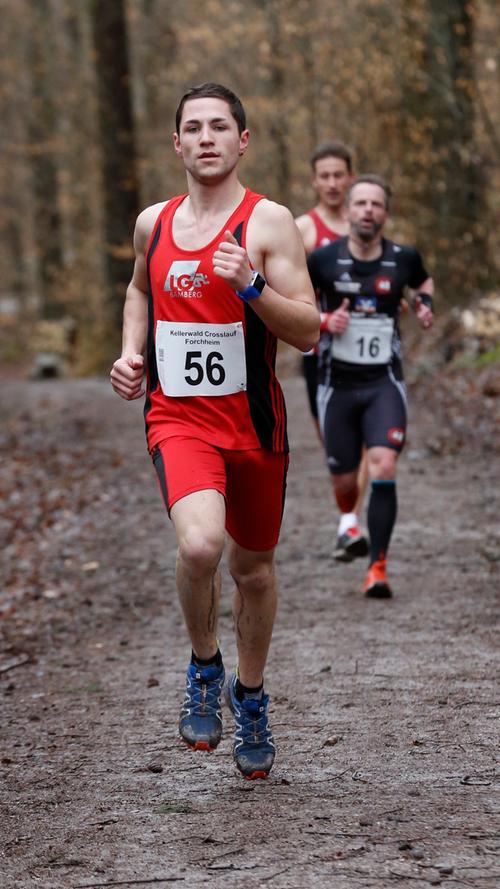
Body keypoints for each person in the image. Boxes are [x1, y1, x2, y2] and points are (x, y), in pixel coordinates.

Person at [110, 82, 319, 780]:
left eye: (219, 127)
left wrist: (252, 287)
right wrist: (131, 350)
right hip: (180, 419)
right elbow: (139, 288)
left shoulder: (270, 223)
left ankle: (250, 695)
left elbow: (312, 330)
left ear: (242, 140)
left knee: (252, 569)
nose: (206, 137)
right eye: (192, 127)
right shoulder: (154, 222)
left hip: (253, 424)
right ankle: (204, 663)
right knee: (200, 543)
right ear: (176, 143)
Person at [307, 174, 434, 598]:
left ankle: (377, 566)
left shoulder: (403, 258)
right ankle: (347, 519)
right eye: (360, 203)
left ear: (386, 213)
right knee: (345, 482)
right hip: (336, 384)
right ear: (347, 212)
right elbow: (297, 304)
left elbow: (423, 282)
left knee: (383, 463)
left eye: (376, 204)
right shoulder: (323, 260)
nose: (367, 211)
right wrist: (326, 321)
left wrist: (423, 303)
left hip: (384, 382)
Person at [295, 141, 369, 560]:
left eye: (339, 175)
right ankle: (349, 514)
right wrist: (321, 321)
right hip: (321, 352)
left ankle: (350, 523)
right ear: (314, 181)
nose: (332, 183)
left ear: (351, 177)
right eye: (324, 176)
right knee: (334, 440)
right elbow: (290, 291)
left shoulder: (366, 221)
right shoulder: (303, 230)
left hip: (367, 351)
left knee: (364, 436)